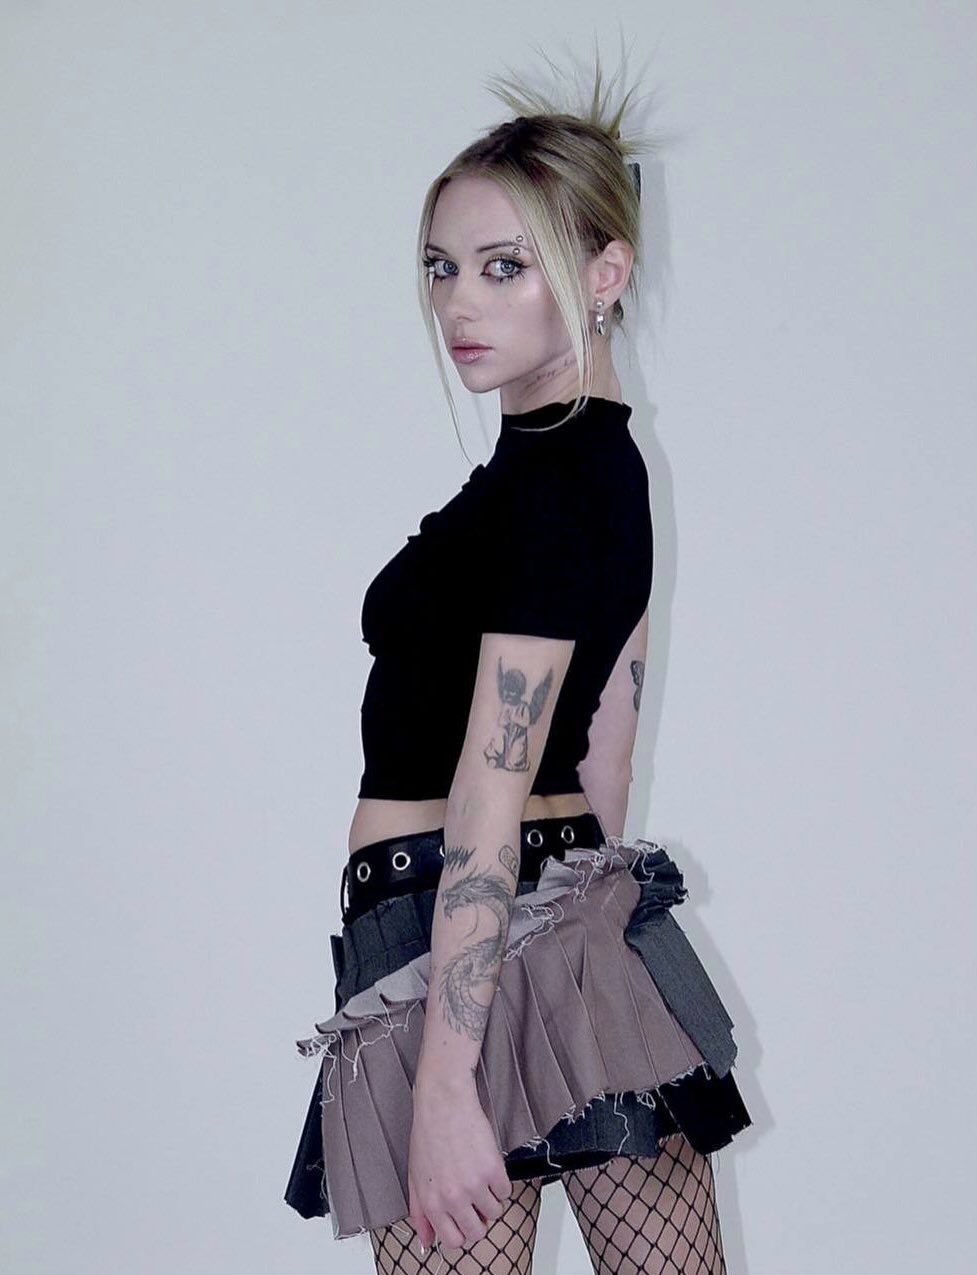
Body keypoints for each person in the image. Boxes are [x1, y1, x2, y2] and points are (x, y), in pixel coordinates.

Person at [284, 53, 753, 1275]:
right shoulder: (595, 470)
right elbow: (607, 749)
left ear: (603, 275)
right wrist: (583, 959)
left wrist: (449, 1084)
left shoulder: (552, 488)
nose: (459, 302)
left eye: (504, 266)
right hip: (547, 931)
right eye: (440, 266)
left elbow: (493, 788)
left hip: (456, 939)